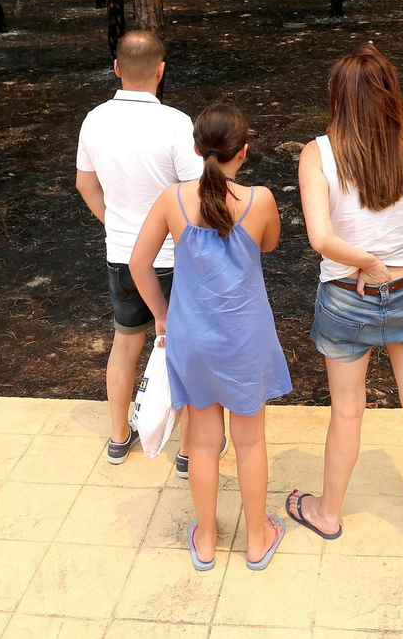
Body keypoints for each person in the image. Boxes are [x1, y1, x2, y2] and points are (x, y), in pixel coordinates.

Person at [285, 43, 403, 541]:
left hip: (345, 296)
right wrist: (387, 260)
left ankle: (328, 512)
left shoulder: (316, 153)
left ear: (337, 97)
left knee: (347, 410)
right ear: (389, 93)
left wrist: (366, 263)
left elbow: (321, 238)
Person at [129, 105, 291, 571]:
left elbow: (139, 264)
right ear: (243, 151)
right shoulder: (260, 200)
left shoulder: (171, 199)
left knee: (201, 443)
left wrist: (162, 316)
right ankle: (257, 539)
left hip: (192, 338)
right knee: (250, 442)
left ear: (197, 149)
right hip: (245, 337)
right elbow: (269, 244)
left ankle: (205, 541)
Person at [75, 30, 205, 471]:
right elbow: (197, 191)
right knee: (182, 348)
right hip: (174, 258)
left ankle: (118, 437)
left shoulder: (93, 120)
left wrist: (115, 224)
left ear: (116, 68)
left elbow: (85, 184)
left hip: (122, 255)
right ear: (161, 70)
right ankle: (188, 450)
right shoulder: (175, 123)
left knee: (125, 344)